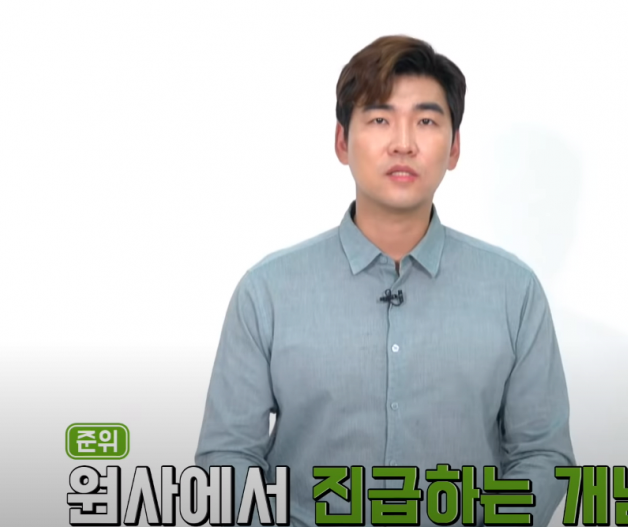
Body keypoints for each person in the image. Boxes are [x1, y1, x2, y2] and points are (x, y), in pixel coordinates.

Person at [195, 34, 575, 527]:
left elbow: (543, 455)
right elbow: (226, 458)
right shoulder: (267, 291)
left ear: (454, 147)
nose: (403, 142)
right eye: (379, 120)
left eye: (426, 121)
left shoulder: (513, 291)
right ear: (341, 142)